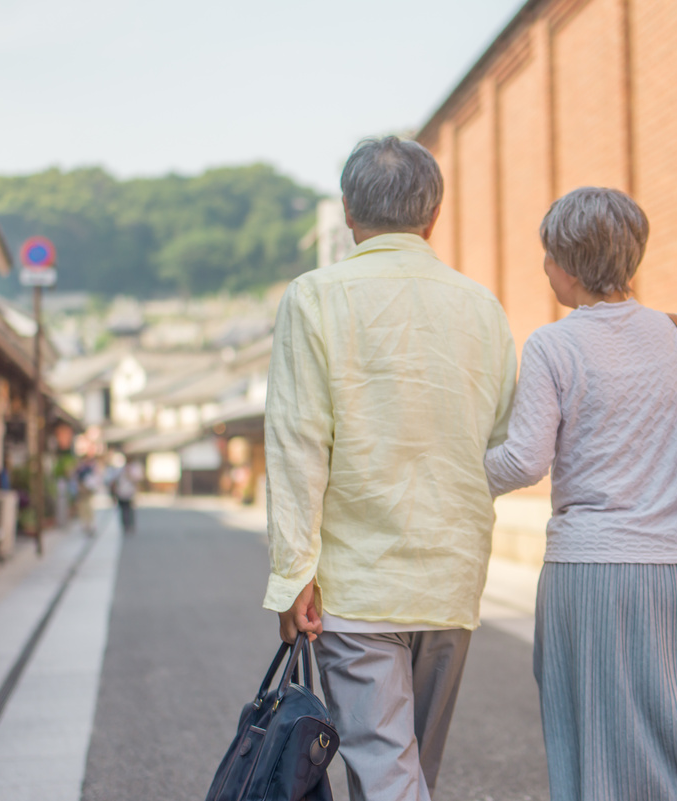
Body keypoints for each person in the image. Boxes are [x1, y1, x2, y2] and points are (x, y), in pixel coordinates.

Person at [263, 136, 516, 801]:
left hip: (359, 581)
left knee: (388, 772)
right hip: (451, 574)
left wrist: (294, 570)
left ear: (348, 211)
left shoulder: (315, 297)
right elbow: (504, 439)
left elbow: (297, 440)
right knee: (407, 771)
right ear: (433, 215)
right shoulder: (482, 308)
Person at [484, 187, 677, 801]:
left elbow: (525, 460)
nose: (544, 266)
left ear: (570, 265)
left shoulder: (553, 345)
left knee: (596, 742)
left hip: (592, 571)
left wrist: (467, 471)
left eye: (548, 254)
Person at [110, 456, 140, 535]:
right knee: (124, 510)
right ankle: (125, 526)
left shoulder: (133, 470)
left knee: (130, 510)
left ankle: (130, 525)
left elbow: (137, 480)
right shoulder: (120, 470)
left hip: (130, 493)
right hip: (121, 492)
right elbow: (114, 481)